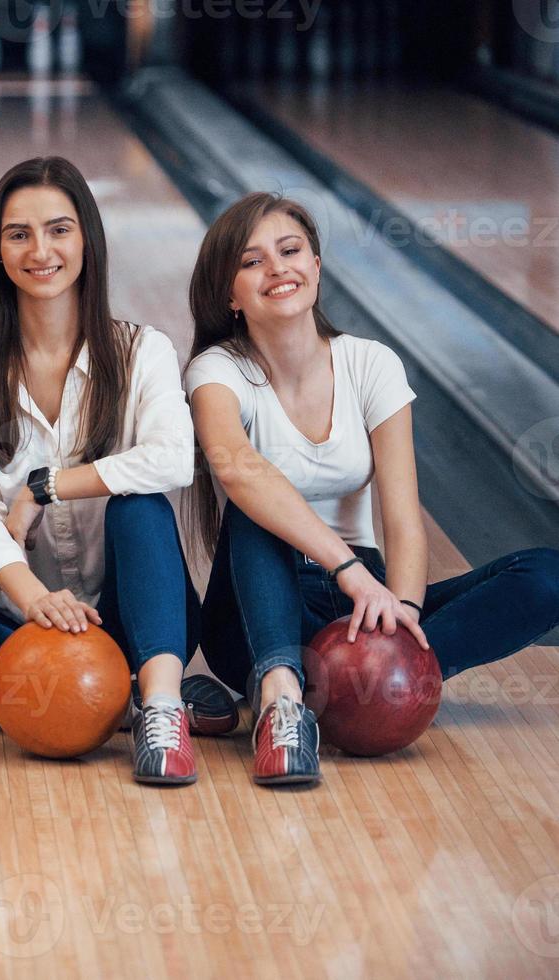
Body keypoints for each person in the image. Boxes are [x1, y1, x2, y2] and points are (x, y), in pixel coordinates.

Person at [184, 191, 559, 787]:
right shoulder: (218, 372)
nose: (278, 267)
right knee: (261, 499)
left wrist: (401, 618)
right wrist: (347, 571)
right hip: (256, 615)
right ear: (229, 295)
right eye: (252, 261)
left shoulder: (371, 364)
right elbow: (237, 471)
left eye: (291, 250)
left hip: (362, 605)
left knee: (546, 575)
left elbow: (402, 515)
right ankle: (282, 695)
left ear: (316, 266)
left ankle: (381, 680)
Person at [0, 156, 234, 786]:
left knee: (139, 501)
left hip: (136, 620)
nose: (39, 250)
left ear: (87, 241)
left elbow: (175, 458)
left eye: (58, 229)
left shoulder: (139, 352)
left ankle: (154, 708)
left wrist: (43, 485)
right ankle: (120, 700)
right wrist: (36, 600)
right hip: (22, 629)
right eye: (18, 234)